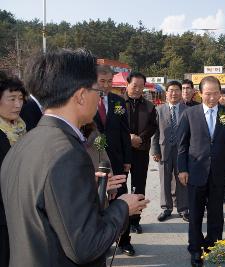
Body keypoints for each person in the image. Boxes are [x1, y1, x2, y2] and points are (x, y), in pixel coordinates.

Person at [0, 49, 149, 267]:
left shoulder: (24, 143)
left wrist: (89, 186)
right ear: (81, 95)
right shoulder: (68, 154)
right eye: (97, 90)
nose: (100, 96)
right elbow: (86, 245)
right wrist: (123, 207)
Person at [177, 76, 225, 267]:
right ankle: (195, 249)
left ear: (221, 93)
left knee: (216, 213)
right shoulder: (189, 114)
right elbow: (182, 145)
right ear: (200, 93)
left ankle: (213, 246)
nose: (212, 98)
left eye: (216, 93)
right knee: (195, 214)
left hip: (219, 173)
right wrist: (182, 169)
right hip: (195, 172)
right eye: (208, 94)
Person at [92, 65, 134, 255]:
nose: (106, 85)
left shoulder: (118, 102)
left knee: (120, 199)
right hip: (94, 160)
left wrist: (127, 158)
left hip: (116, 159)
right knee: (97, 202)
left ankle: (124, 240)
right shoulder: (86, 101)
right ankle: (100, 243)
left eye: (109, 81)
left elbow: (125, 131)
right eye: (102, 81)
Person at [124, 71, 157, 234]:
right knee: (120, 186)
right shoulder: (118, 103)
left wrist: (140, 139)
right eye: (134, 85)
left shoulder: (150, 106)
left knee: (139, 186)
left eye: (141, 86)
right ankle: (121, 221)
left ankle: (135, 220)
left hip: (141, 151)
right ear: (127, 84)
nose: (137, 89)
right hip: (121, 152)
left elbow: (153, 126)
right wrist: (127, 137)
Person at [151, 81, 189, 222]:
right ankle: (166, 208)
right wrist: (155, 150)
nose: (174, 93)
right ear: (166, 93)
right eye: (171, 90)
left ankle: (183, 208)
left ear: (181, 92)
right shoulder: (159, 110)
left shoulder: (188, 110)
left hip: (182, 152)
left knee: (182, 180)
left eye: (177, 90)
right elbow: (155, 132)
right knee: (164, 180)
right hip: (164, 150)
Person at [0, 72, 27, 267]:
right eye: (11, 99)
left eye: (20, 99)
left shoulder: (21, 128)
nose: (18, 104)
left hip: (17, 212)